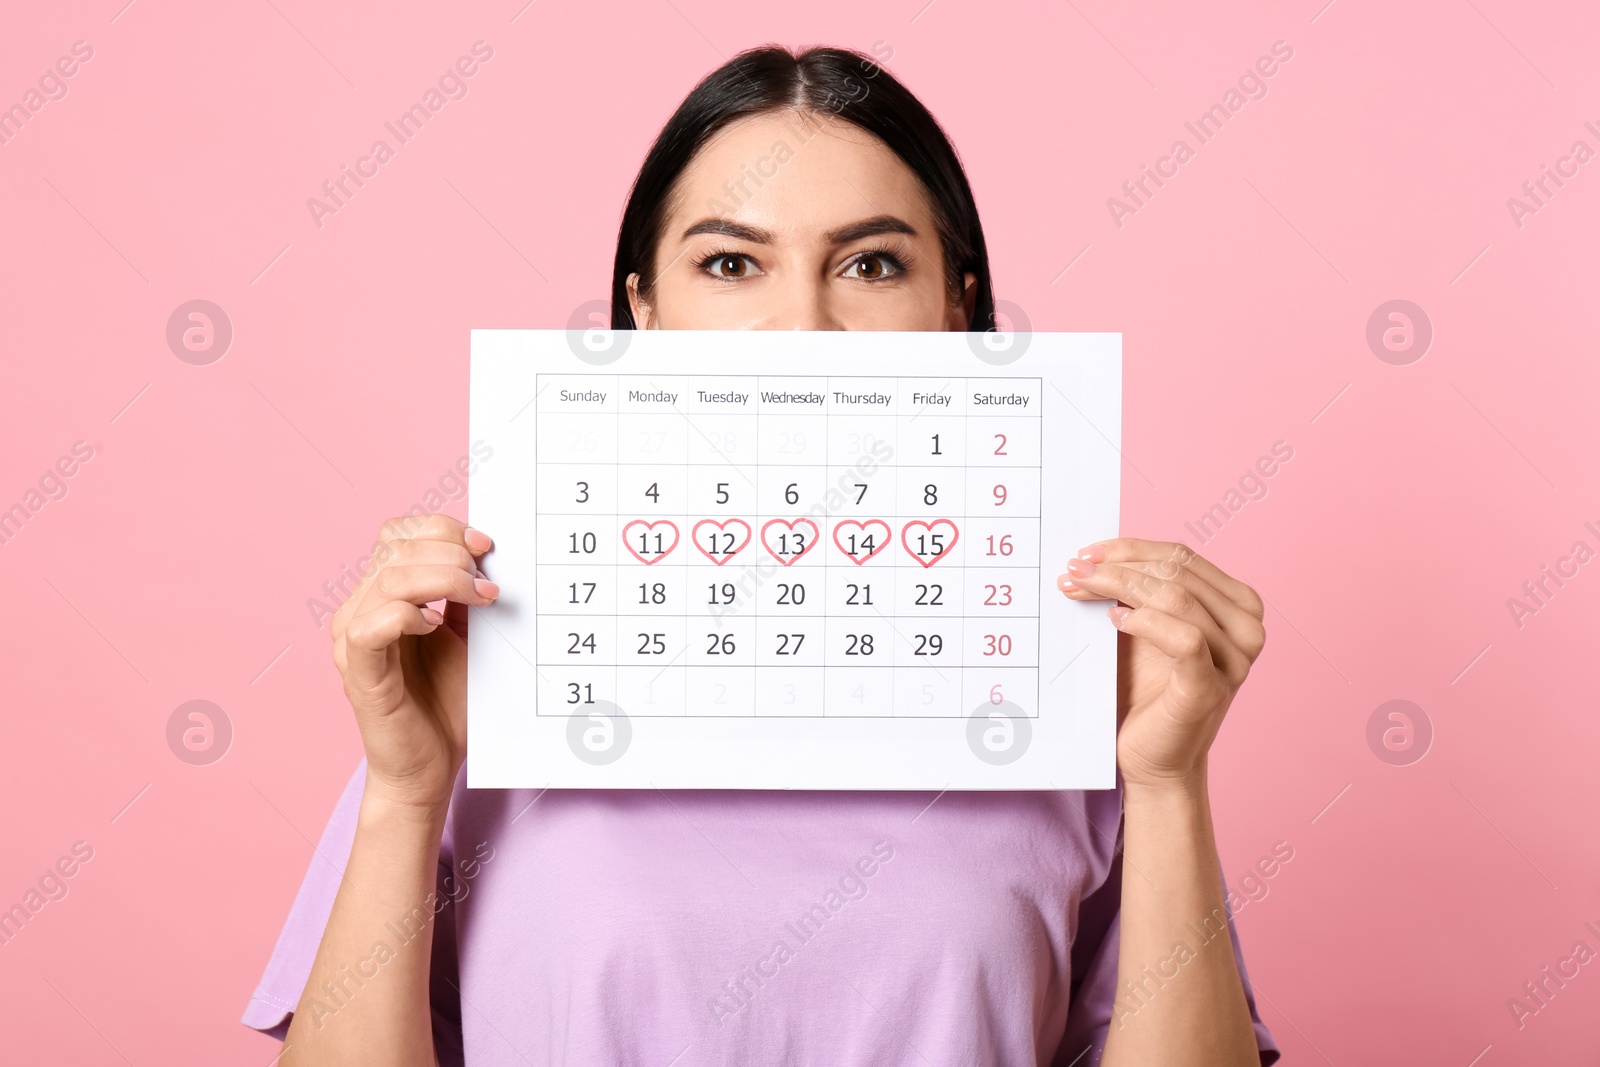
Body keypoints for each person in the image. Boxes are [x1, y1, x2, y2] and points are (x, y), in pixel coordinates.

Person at [244, 45, 1280, 1066]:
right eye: (731, 262)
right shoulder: (483, 676)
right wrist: (404, 791)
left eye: (870, 263)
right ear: (644, 309)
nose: (803, 328)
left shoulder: (1071, 702)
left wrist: (1169, 780)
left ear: (954, 310)